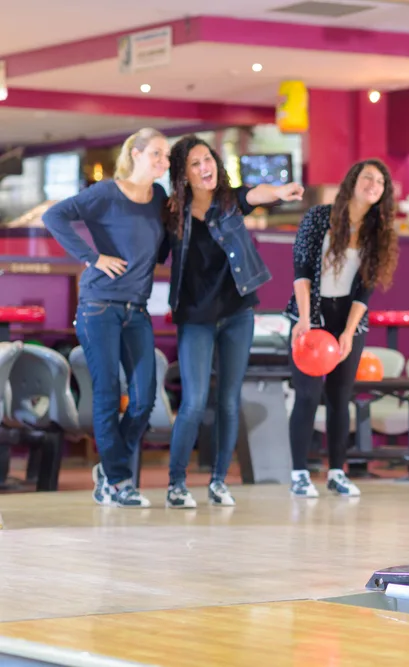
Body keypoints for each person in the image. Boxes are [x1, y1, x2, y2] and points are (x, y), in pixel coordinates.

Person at [162, 135, 304, 509]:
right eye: (194, 163)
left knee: (228, 400)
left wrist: (283, 191)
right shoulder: (172, 212)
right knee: (193, 402)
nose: (204, 167)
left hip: (237, 312)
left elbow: (257, 193)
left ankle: (219, 482)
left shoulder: (230, 201)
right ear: (183, 173)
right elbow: (152, 252)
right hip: (195, 317)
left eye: (207, 159)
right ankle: (176, 484)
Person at [42, 127, 170, 509]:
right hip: (99, 306)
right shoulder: (107, 192)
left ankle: (110, 469)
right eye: (158, 155)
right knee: (107, 394)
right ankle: (118, 480)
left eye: (166, 157)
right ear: (136, 153)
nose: (163, 162)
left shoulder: (159, 197)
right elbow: (54, 216)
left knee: (145, 397)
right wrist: (92, 257)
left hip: (137, 308)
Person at [286, 159, 399, 498]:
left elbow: (365, 289)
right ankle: (299, 474)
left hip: (347, 318)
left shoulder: (378, 230)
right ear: (353, 181)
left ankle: (337, 471)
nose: (373, 185)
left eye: (380, 182)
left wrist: (349, 332)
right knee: (306, 396)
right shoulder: (319, 217)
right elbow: (302, 271)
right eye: (368, 177)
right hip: (310, 313)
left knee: (340, 398)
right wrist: (305, 320)